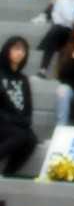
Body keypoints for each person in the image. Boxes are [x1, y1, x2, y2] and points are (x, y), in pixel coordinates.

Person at [0, 36, 37, 177]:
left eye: (23, 50)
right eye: (16, 48)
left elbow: (28, 107)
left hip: (16, 124)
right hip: (3, 122)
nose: (20, 52)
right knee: (20, 135)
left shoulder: (23, 79)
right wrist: (14, 121)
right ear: (7, 51)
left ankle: (7, 174)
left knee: (31, 139)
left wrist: (25, 121)